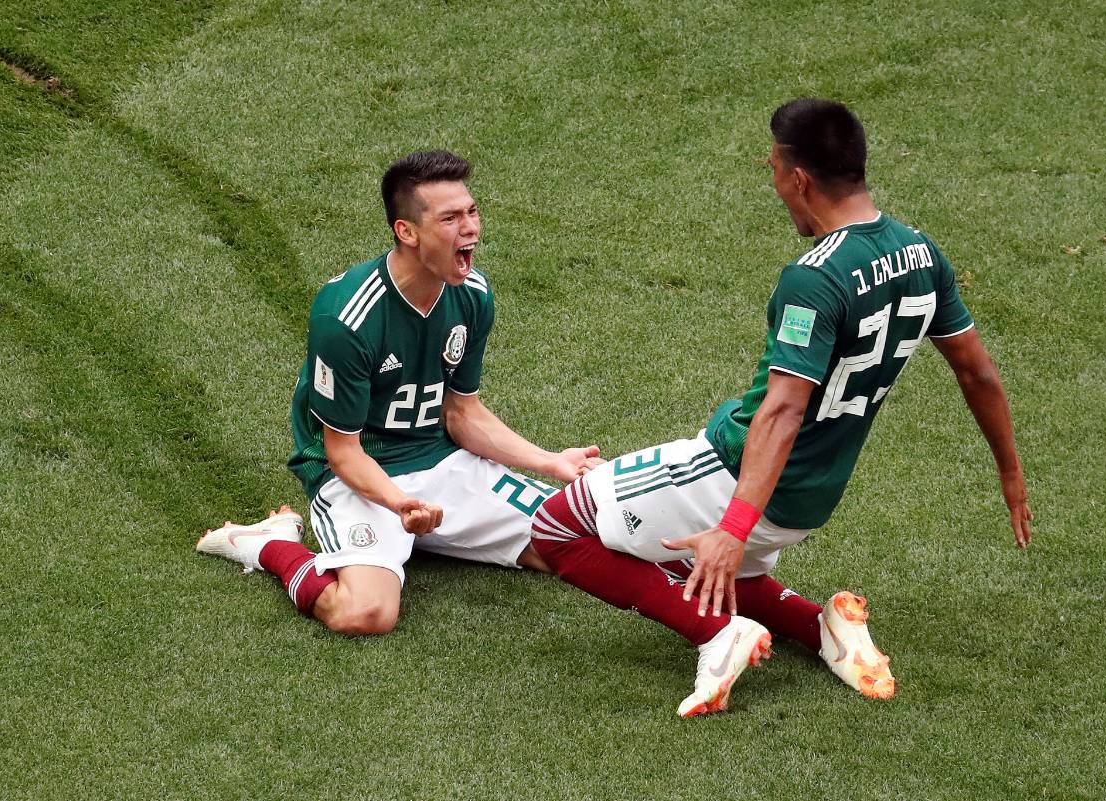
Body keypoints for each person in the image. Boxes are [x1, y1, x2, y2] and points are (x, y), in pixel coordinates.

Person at [530, 99, 1033, 716]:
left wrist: (733, 527)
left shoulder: (814, 278)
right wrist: (1010, 472)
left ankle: (717, 633)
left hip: (737, 473)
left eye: (772, 169)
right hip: (814, 495)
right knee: (722, 572)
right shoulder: (922, 253)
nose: (773, 185)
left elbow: (782, 411)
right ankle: (825, 628)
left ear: (798, 178)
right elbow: (978, 371)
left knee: (556, 527)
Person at [197, 150, 603, 636]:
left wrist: (551, 462)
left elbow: (462, 413)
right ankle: (270, 543)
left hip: (439, 461)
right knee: (364, 614)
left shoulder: (473, 294)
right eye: (450, 219)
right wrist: (400, 504)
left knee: (577, 541)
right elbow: (341, 451)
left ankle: (422, 537)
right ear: (406, 231)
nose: (470, 228)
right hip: (356, 475)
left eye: (472, 211)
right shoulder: (346, 317)